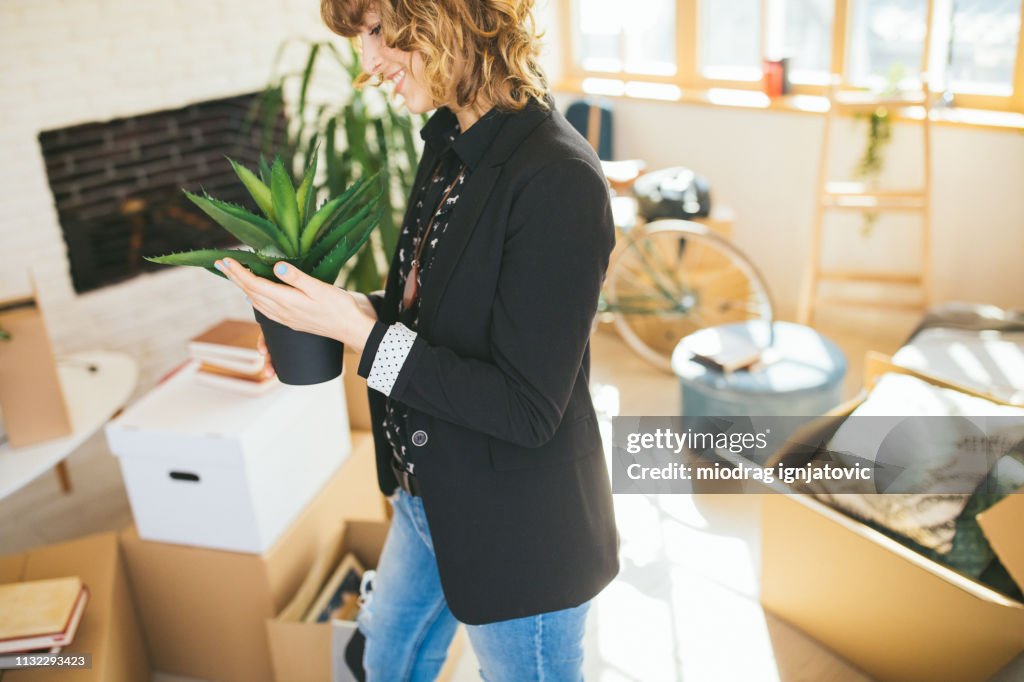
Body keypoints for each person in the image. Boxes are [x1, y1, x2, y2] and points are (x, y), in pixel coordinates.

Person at [214, 0, 619, 678]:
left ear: (451, 14)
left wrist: (360, 334)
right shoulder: (448, 142)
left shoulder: (557, 179)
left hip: (521, 530)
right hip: (427, 493)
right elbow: (441, 317)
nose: (367, 64)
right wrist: (338, 311)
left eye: (377, 32)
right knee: (383, 661)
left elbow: (525, 408)